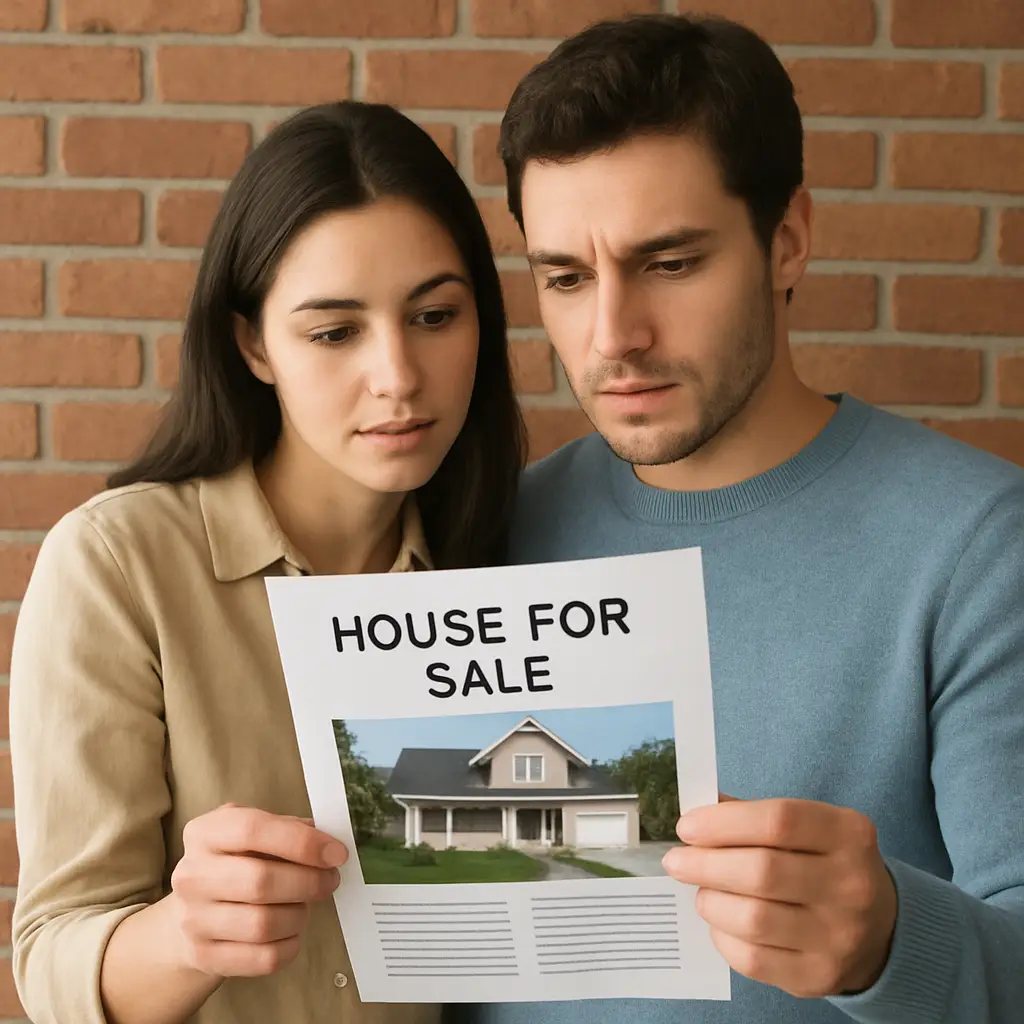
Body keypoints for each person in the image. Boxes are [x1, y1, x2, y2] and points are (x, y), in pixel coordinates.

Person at [463, 12, 1024, 1024]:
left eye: (670, 263)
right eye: (564, 277)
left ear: (787, 240)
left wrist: (890, 940)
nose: (612, 336)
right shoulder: (488, 531)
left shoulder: (980, 546)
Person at [9, 100, 524, 1024]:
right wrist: (185, 932)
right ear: (254, 344)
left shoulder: (510, 568)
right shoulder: (119, 566)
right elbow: (52, 960)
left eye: (436, 315)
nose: (399, 375)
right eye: (335, 332)